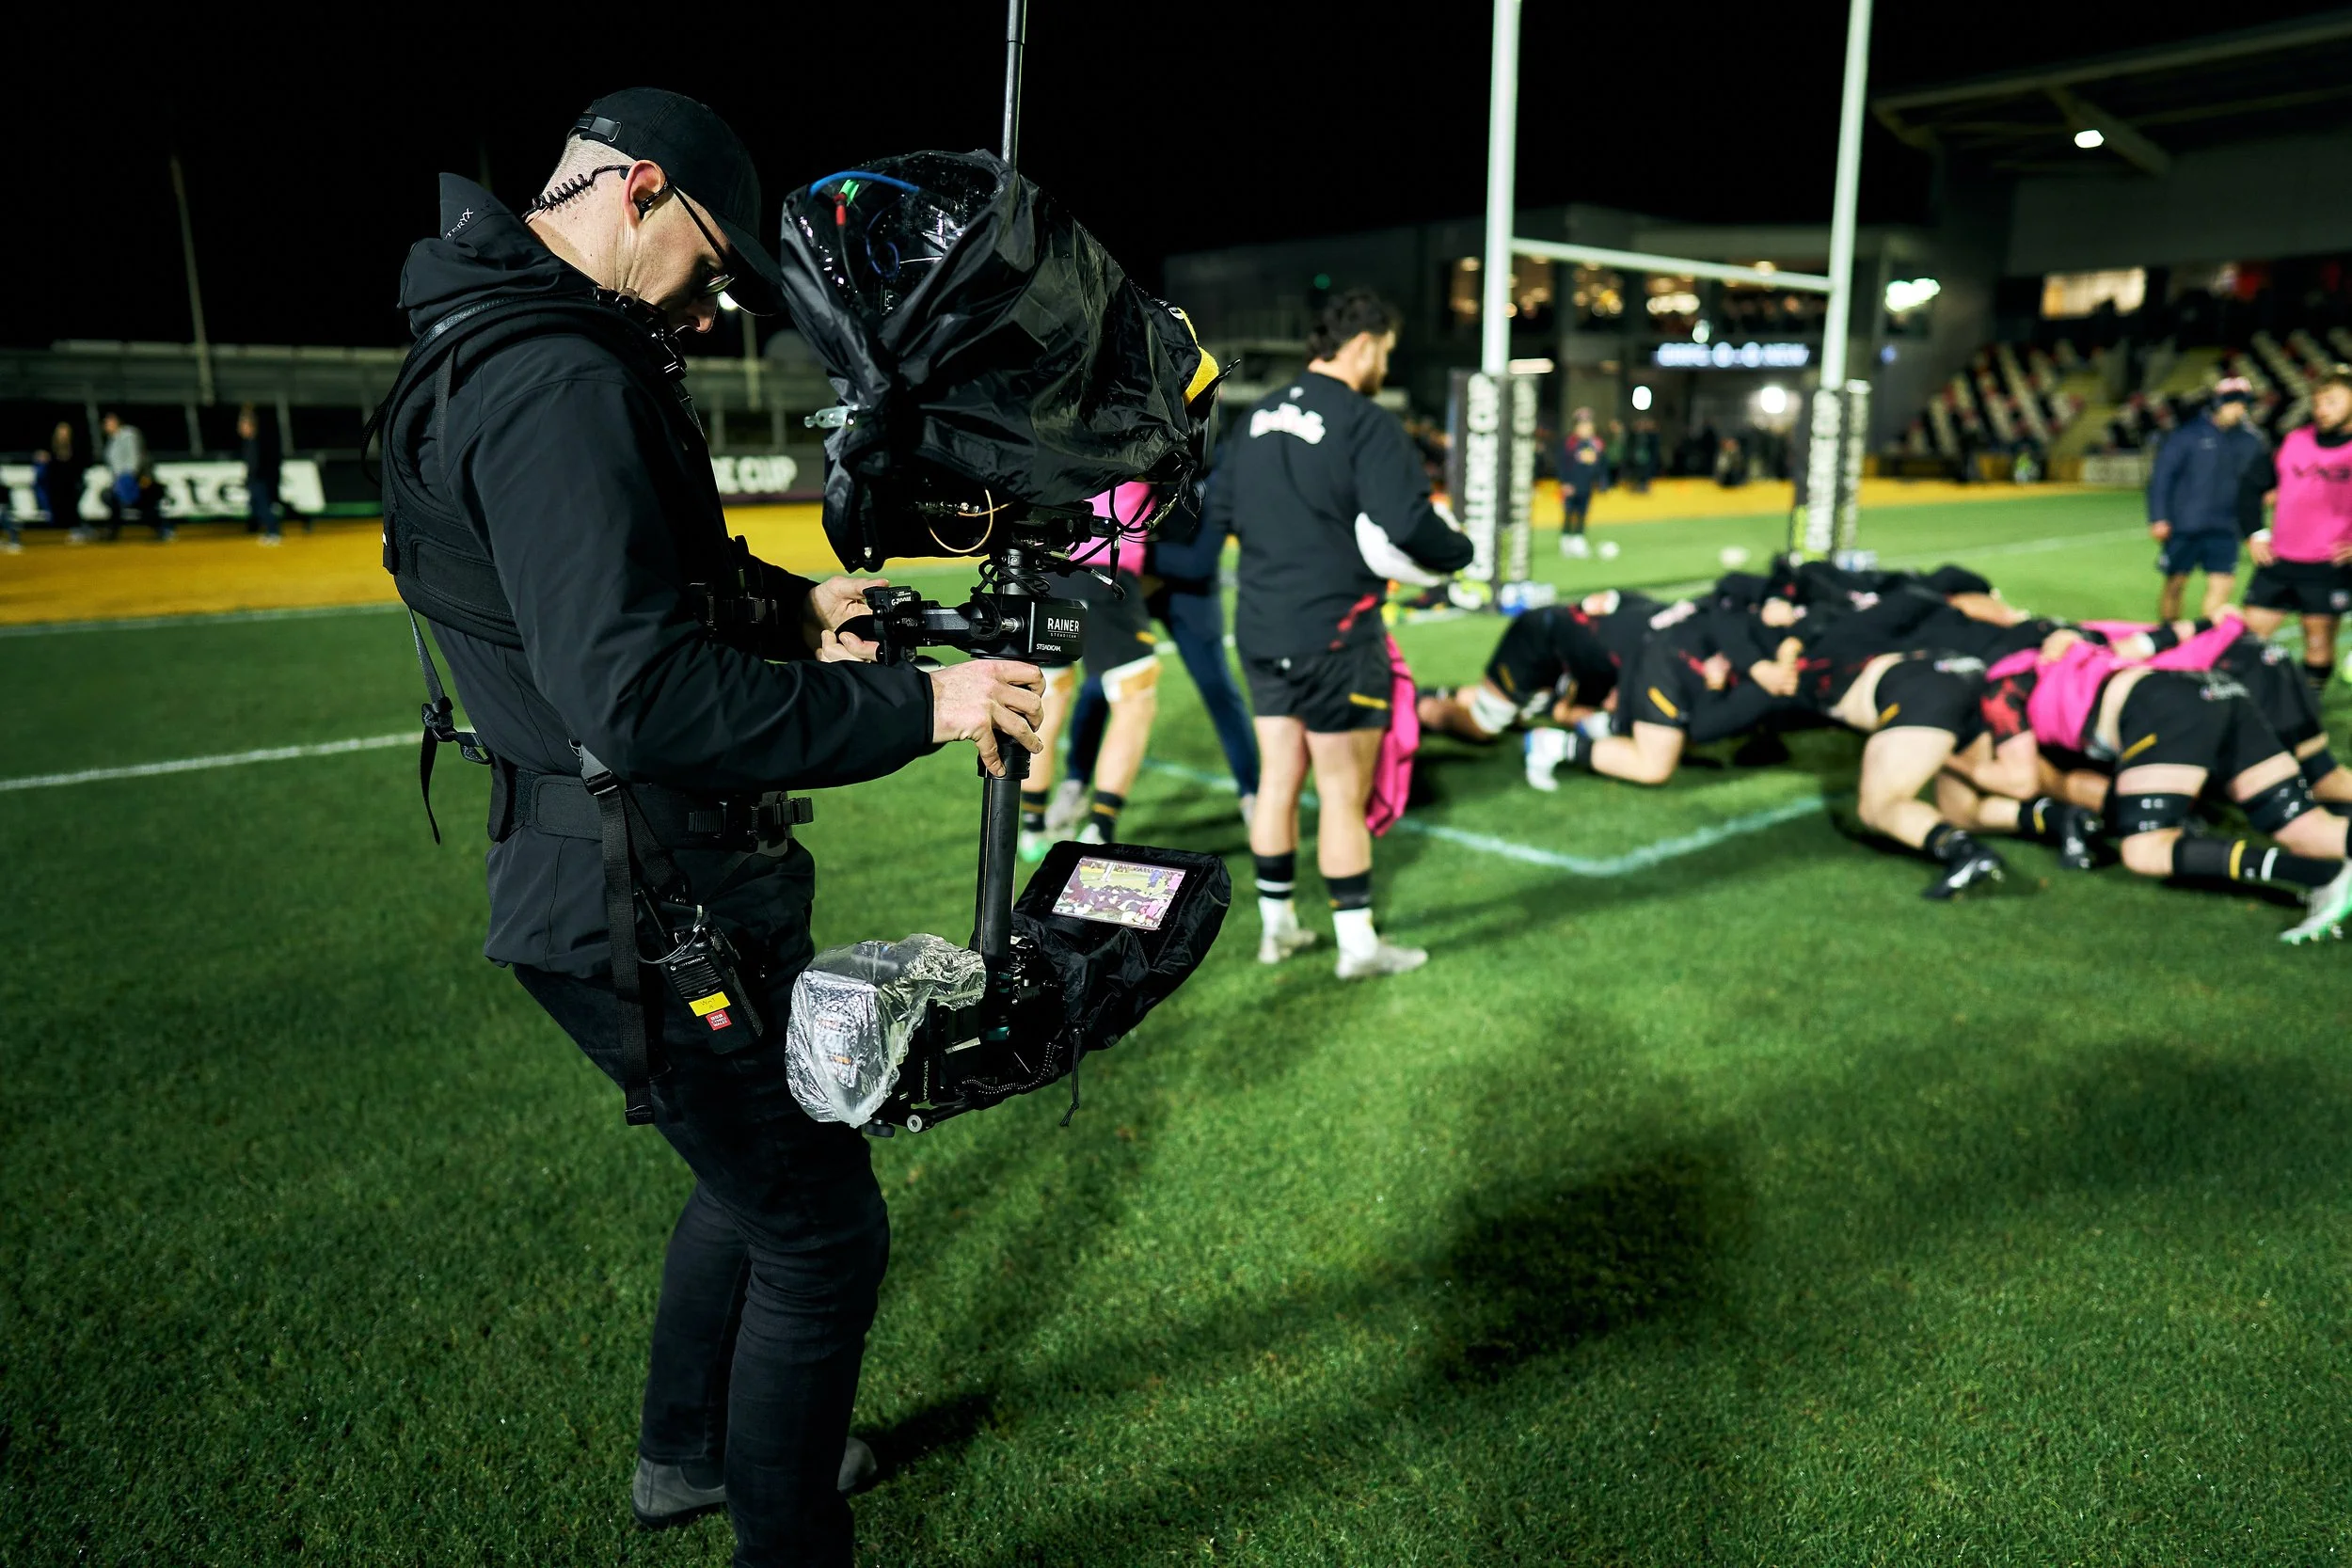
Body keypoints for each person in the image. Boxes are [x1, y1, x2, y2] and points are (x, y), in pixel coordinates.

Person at [377, 89, 1049, 1565]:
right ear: (644, 191)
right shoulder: (556, 374)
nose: (720, 297)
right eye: (716, 258)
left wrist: (786, 604)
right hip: (646, 895)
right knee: (819, 1227)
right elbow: (640, 691)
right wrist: (922, 712)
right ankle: (781, 1536)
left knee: (757, 1182)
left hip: (625, 873)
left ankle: (688, 1454)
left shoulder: (501, 337)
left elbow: (637, 574)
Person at [1214, 288, 1472, 978]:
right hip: (1337, 633)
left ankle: (1278, 930)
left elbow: (1219, 513)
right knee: (1339, 792)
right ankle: (1357, 946)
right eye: (1385, 352)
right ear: (1364, 345)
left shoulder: (1258, 414)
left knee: (1277, 780)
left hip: (1263, 629)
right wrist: (1462, 552)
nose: (1385, 365)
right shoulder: (1366, 421)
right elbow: (1410, 524)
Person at [1044, 477, 1261, 838]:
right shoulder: (1124, 465)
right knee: (1096, 690)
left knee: (1216, 687)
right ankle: (1075, 787)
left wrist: (1126, 548)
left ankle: (1252, 795)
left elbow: (1198, 562)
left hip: (1187, 597)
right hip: (1126, 584)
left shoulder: (1210, 477)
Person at [1019, 483, 1166, 855]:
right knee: (1135, 699)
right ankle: (1100, 825)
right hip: (1104, 568)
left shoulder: (1053, 425)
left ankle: (1033, 827)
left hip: (1044, 571)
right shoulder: (1131, 428)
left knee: (1046, 699)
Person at [2239, 365, 2352, 692]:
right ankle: (2247, 705)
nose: (2321, 409)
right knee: (2248, 641)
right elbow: (2250, 484)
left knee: (2317, 644)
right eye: (2318, 402)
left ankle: (2307, 710)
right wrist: (2255, 532)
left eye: (2332, 402)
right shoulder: (2293, 440)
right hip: (2278, 562)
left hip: (2326, 567)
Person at [2146, 377, 2264, 622]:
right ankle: (2168, 635)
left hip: (2226, 527)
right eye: (2233, 403)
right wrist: (2159, 517)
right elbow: (2162, 477)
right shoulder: (2186, 435)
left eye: (2243, 404)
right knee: (2175, 584)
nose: (2239, 409)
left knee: (2221, 587)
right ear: (2218, 403)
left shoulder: (2251, 440)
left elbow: (2259, 483)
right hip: (2185, 525)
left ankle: (2206, 645)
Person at [100, 411, 170, 542]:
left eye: (109, 421)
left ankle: (162, 529)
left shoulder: (128, 435)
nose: (106, 425)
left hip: (136, 479)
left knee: (140, 504)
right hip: (123, 481)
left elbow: (135, 459)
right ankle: (112, 531)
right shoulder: (113, 440)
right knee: (114, 500)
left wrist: (130, 480)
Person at [1558, 408, 1603, 557]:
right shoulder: (1570, 443)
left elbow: (1600, 466)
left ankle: (1578, 539)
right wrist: (1565, 483)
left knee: (1583, 512)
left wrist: (1601, 483)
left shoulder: (1595, 444)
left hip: (1586, 485)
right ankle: (1566, 539)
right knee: (1570, 512)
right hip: (1572, 485)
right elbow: (1563, 465)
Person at [238, 404, 285, 545]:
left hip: (259, 479)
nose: (240, 429)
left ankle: (274, 532)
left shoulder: (257, 442)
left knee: (263, 507)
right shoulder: (250, 442)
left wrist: (253, 477)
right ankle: (271, 531)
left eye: (243, 426)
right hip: (256, 479)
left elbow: (258, 463)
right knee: (256, 507)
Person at [34, 422, 86, 542]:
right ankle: (59, 528)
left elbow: (79, 465)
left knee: (71, 505)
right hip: (55, 483)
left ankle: (75, 530)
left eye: (65, 432)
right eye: (61, 432)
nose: (63, 434)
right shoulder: (51, 448)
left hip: (71, 483)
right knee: (56, 505)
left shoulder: (75, 447)